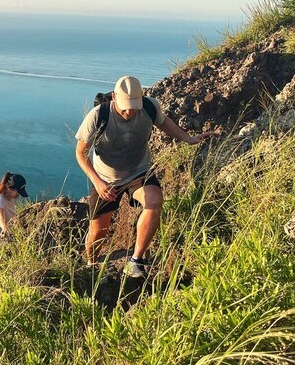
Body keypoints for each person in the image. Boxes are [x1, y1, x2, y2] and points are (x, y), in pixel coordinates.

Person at [75, 75, 216, 277]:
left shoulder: (149, 107)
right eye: (124, 106)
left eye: (133, 106)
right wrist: (97, 182)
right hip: (106, 178)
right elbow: (80, 152)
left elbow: (164, 123)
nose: (129, 111)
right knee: (99, 231)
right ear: (114, 97)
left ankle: (135, 261)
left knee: (154, 200)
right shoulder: (98, 115)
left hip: (138, 172)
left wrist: (189, 138)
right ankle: (91, 264)